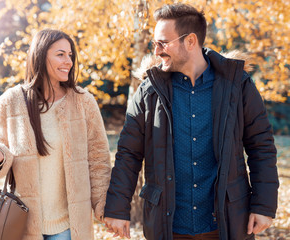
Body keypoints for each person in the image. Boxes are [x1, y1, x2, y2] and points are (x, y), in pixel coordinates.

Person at [104, 3, 278, 240]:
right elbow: (128, 154)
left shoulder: (238, 85)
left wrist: (263, 205)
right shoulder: (148, 91)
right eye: (155, 43)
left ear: (191, 41)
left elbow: (261, 147)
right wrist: (116, 209)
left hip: (227, 223)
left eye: (163, 43)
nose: (156, 51)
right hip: (168, 227)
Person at [0, 29, 111, 240]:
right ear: (40, 55)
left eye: (70, 55)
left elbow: (98, 161)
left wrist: (104, 206)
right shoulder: (10, 101)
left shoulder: (83, 102)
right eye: (60, 54)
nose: (68, 61)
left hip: (69, 226)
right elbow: (0, 151)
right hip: (22, 224)